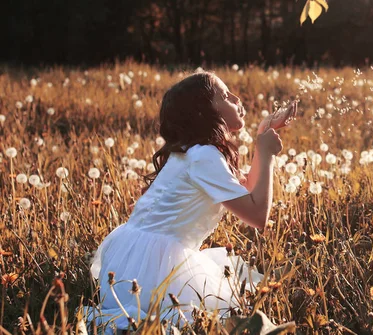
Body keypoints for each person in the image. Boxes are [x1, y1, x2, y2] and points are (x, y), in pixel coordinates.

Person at [83, 69, 298, 334]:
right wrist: (267, 156)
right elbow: (256, 215)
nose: (236, 97)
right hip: (152, 268)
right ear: (203, 113)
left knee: (224, 295)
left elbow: (246, 188)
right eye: (224, 95)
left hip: (133, 254)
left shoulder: (197, 152)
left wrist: (263, 134)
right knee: (199, 316)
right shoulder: (204, 157)